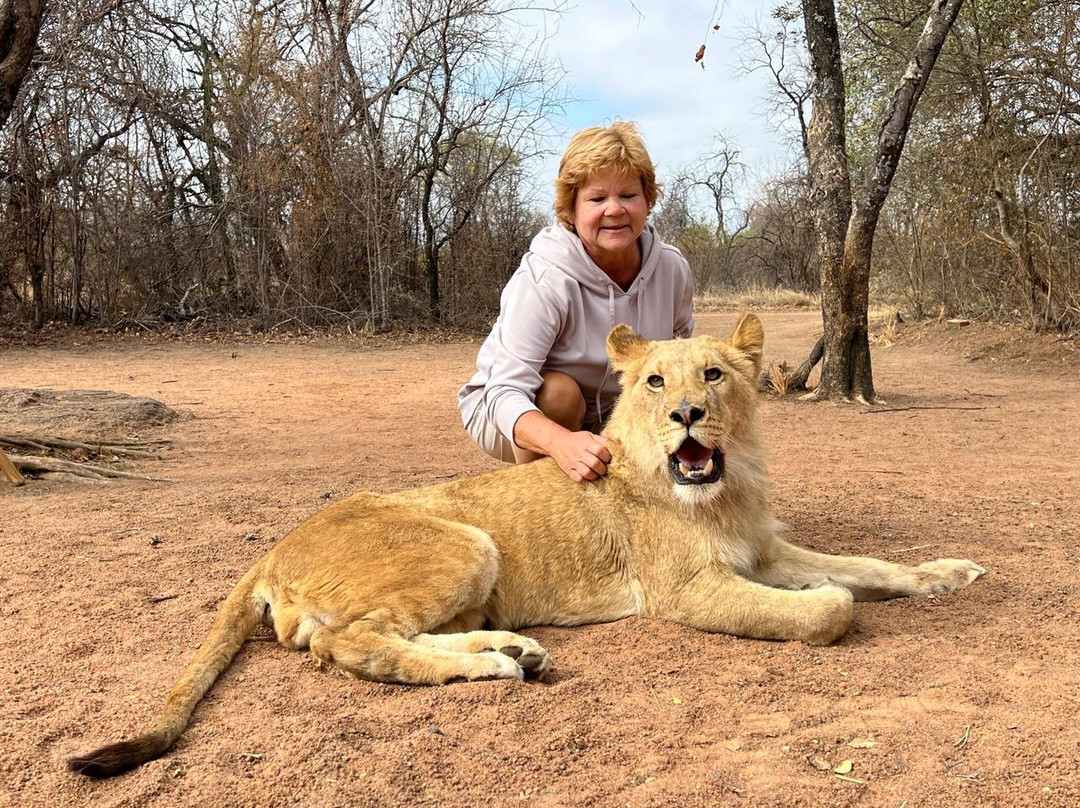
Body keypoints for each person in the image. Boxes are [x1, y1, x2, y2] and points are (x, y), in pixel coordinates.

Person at [458, 121, 695, 483]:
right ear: (570, 208)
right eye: (597, 199)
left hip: (614, 410)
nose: (614, 210)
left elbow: (679, 359)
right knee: (559, 394)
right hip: (508, 411)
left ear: (648, 200)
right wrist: (562, 443)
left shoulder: (672, 268)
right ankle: (541, 506)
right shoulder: (544, 279)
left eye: (628, 195)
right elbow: (504, 391)